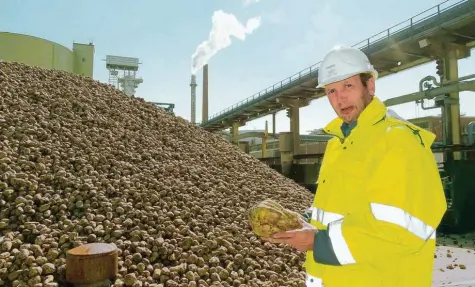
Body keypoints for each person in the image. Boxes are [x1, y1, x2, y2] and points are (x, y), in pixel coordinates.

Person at [264, 46, 447, 287]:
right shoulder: (338, 145)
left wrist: (317, 243)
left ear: (370, 86)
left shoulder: (398, 141)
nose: (340, 99)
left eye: (348, 86)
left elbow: (400, 232)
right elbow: (340, 209)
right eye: (331, 91)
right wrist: (304, 220)